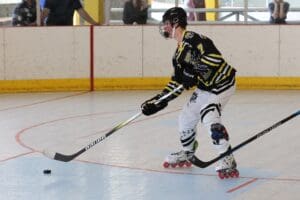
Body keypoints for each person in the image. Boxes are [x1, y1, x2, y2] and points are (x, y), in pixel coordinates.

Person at [141, 7, 238, 177]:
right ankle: (188, 152)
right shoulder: (177, 56)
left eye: (166, 23)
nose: (164, 27)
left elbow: (215, 59)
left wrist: (194, 70)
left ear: (175, 23)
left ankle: (227, 158)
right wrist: (157, 102)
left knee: (209, 115)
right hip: (206, 87)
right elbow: (176, 84)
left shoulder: (193, 39)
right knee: (186, 117)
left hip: (223, 83)